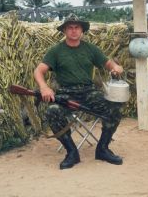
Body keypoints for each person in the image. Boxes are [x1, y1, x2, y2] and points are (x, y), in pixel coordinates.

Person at [34, 13, 124, 170]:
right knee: (52, 111)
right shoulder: (56, 51)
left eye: (77, 28)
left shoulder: (91, 49)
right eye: (70, 28)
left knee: (114, 109)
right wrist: (44, 87)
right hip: (66, 94)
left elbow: (109, 64)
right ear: (64, 31)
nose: (74, 31)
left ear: (82, 30)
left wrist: (116, 68)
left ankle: (103, 149)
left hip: (88, 92)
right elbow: (38, 71)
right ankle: (72, 152)